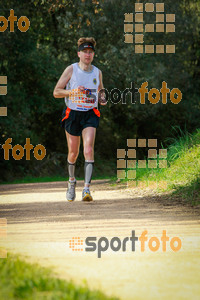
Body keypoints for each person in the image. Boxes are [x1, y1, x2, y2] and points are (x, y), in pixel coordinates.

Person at [53, 37, 106, 202]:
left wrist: (103, 98)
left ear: (93, 54)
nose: (88, 55)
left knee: (88, 149)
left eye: (90, 52)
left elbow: (101, 91)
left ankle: (86, 189)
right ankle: (71, 182)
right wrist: (73, 92)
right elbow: (56, 92)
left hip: (90, 113)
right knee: (73, 153)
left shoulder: (97, 72)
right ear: (79, 53)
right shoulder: (71, 70)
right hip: (73, 114)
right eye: (85, 52)